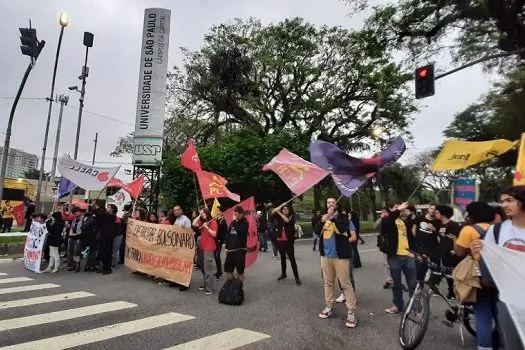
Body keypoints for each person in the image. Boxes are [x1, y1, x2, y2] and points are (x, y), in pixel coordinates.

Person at [470, 186, 525, 350]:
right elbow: (487, 259)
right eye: (502, 201)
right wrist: (478, 252)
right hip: (508, 299)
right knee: (511, 344)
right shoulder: (497, 230)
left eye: (510, 200)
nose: (504, 205)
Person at [454, 201, 497, 350]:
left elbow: (459, 252)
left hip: (481, 277)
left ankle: (485, 346)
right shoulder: (499, 228)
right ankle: (502, 343)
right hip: (499, 276)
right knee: (499, 312)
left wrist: (455, 240)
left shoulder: (469, 230)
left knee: (483, 313)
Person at [316, 197, 358, 328]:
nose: (330, 204)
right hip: (325, 256)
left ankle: (351, 312)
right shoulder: (323, 218)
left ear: (336, 205)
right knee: (328, 283)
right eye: (328, 202)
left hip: (340, 257)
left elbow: (340, 229)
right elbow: (316, 233)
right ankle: (329, 306)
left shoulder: (342, 217)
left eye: (333, 202)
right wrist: (322, 221)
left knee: (345, 284)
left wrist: (332, 217)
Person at [382, 202, 417, 315]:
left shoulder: (405, 222)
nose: (400, 210)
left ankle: (415, 308)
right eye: (397, 208)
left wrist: (415, 252)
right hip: (395, 256)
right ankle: (398, 306)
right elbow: (386, 226)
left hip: (408, 256)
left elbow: (411, 238)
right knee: (396, 284)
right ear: (391, 210)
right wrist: (397, 210)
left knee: (412, 283)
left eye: (401, 208)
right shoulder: (387, 221)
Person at [434, 205, 461, 300]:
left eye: (437, 212)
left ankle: (455, 293)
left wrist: (455, 250)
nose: (435, 214)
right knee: (447, 274)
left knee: (452, 274)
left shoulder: (453, 225)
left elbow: (456, 238)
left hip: (451, 254)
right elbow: (442, 236)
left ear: (443, 214)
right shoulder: (441, 225)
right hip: (444, 253)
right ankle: (451, 292)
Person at [272, 203, 301, 286]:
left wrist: (279, 212)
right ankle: (283, 274)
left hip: (289, 241)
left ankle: (297, 277)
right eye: (284, 209)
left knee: (292, 260)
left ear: (289, 210)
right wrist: (281, 205)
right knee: (282, 259)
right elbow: (273, 211)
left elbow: (287, 221)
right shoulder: (279, 217)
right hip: (280, 240)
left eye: (287, 209)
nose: (285, 210)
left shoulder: (291, 216)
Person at [193, 208, 218, 295]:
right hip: (202, 246)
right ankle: (205, 283)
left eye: (204, 212)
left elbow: (214, 234)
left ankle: (209, 287)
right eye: (202, 213)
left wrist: (207, 227)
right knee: (202, 266)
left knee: (208, 268)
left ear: (208, 213)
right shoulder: (202, 221)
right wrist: (199, 215)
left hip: (209, 247)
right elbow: (194, 223)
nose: (203, 214)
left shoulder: (213, 222)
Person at [413, 204, 441, 281]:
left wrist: (433, 229)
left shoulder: (438, 221)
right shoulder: (420, 218)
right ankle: (420, 282)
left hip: (433, 247)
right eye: (431, 208)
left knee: (436, 265)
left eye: (435, 210)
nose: (433, 210)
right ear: (428, 209)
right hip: (421, 246)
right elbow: (414, 228)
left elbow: (440, 234)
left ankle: (435, 283)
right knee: (421, 265)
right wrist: (415, 239)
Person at [224, 206, 249, 282]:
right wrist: (226, 247)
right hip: (230, 251)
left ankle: (239, 288)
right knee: (228, 272)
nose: (235, 216)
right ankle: (231, 288)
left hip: (240, 251)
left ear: (241, 214)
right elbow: (228, 235)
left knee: (240, 271)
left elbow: (240, 231)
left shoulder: (245, 222)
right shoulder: (233, 222)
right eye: (234, 214)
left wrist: (236, 223)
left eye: (236, 214)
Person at [66, 207, 84, 272]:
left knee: (77, 252)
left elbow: (83, 230)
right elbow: (71, 227)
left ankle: (77, 266)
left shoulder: (83, 219)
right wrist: (71, 232)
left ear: (80, 211)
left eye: (76, 212)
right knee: (72, 251)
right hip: (72, 237)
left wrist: (76, 234)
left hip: (79, 237)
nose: (75, 213)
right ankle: (73, 265)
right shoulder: (75, 220)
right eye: (74, 212)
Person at [215, 206, 228, 280]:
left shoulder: (223, 220)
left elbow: (221, 228)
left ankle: (219, 273)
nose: (216, 212)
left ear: (221, 211)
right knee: (216, 256)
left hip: (220, 240)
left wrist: (217, 220)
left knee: (217, 256)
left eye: (217, 210)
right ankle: (218, 271)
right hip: (216, 240)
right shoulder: (217, 219)